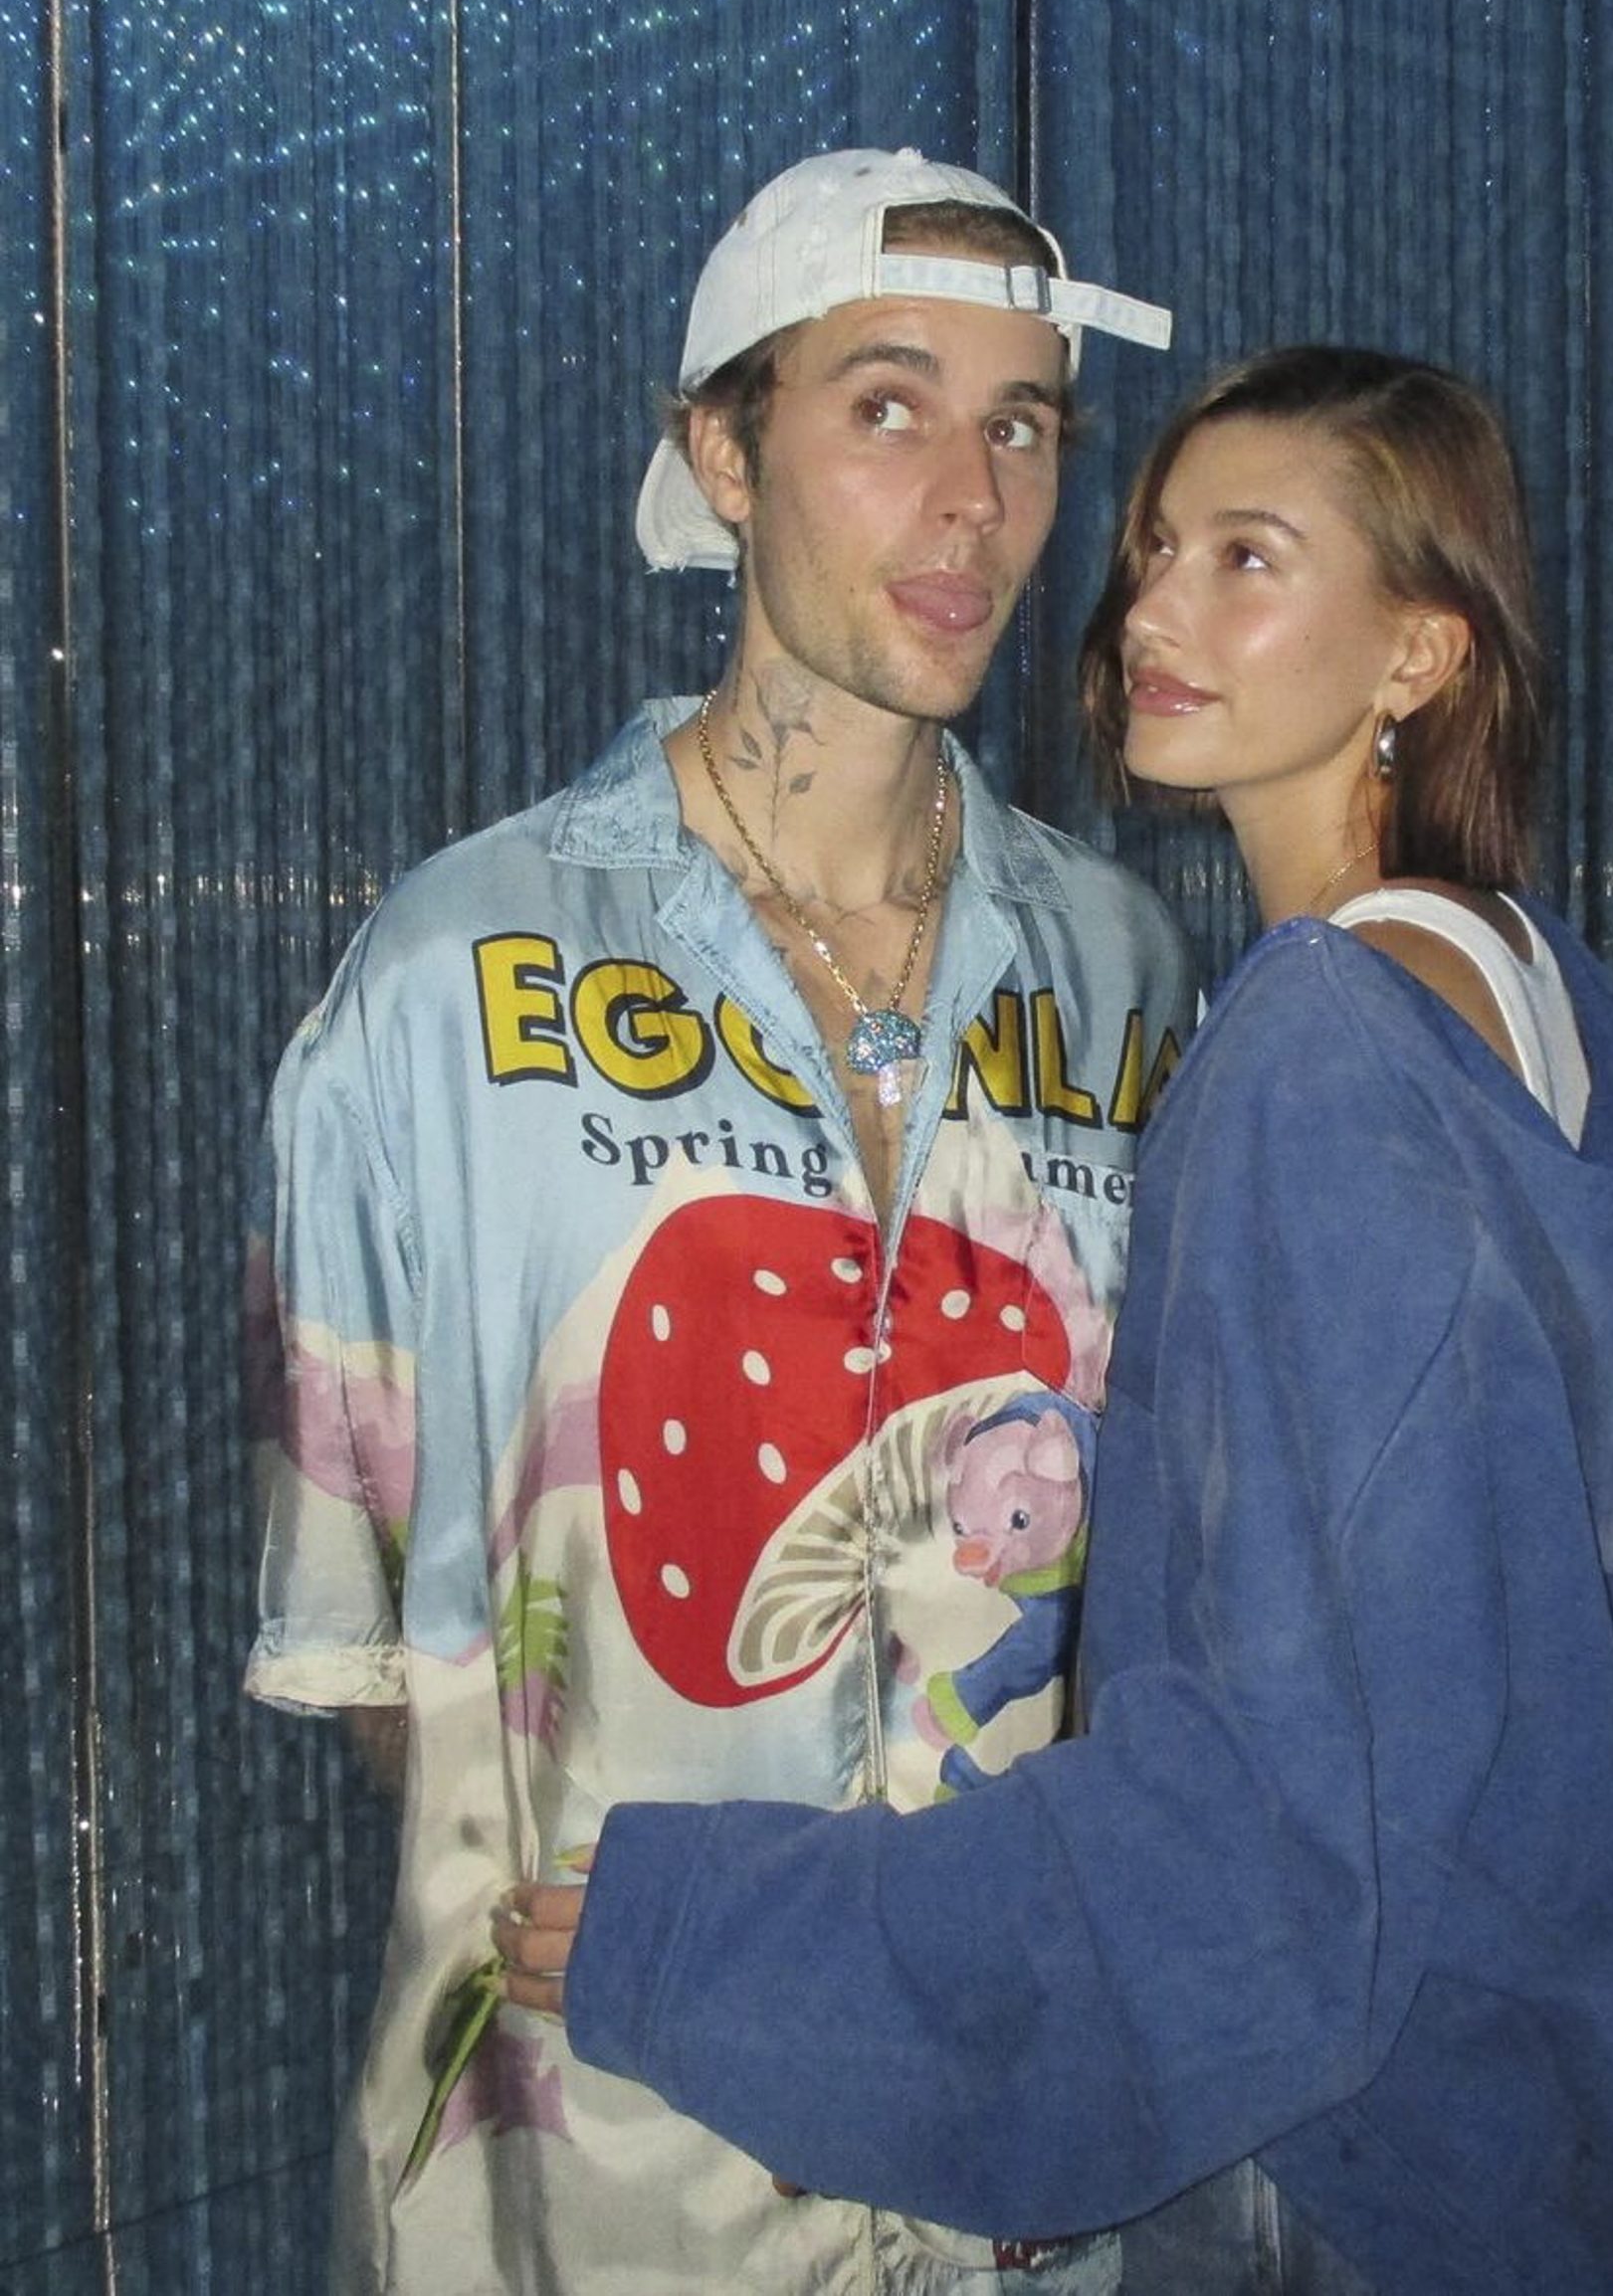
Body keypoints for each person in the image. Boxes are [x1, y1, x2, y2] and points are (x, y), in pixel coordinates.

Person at [496, 346, 1613, 2293]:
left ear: (1418, 654)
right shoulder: (1520, 996)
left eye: (1249, 559)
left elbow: (1273, 1822)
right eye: (1155, 551)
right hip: (1527, 2119)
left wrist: (716, 1937)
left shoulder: (1322, 1050)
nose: (1152, 615)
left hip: (1335, 2166)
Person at [244, 145, 1197, 2295]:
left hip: (1015, 2169)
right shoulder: (450, 981)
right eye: (886, 407)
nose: (970, 502)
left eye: (1022, 425)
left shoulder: (1126, 974)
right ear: (724, 454)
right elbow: (380, 1651)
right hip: (592, 2187)